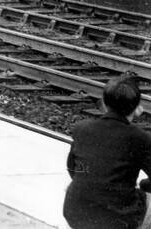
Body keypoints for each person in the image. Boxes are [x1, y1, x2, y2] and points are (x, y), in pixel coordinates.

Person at [63, 74, 151, 229]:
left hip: (75, 212)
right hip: (117, 219)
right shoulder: (141, 138)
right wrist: (144, 186)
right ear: (137, 108)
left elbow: (72, 168)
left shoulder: (82, 128)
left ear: (104, 103)